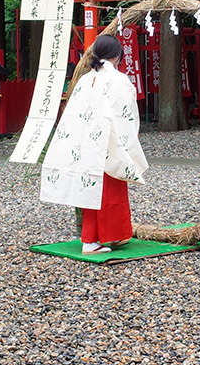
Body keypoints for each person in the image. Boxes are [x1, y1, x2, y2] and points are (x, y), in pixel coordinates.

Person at [40, 34, 149, 253]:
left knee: (90, 189)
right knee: (110, 191)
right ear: (117, 55)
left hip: (85, 141)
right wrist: (129, 138)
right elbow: (126, 113)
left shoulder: (85, 79)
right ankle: (92, 240)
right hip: (109, 140)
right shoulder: (118, 79)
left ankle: (113, 236)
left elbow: (73, 114)